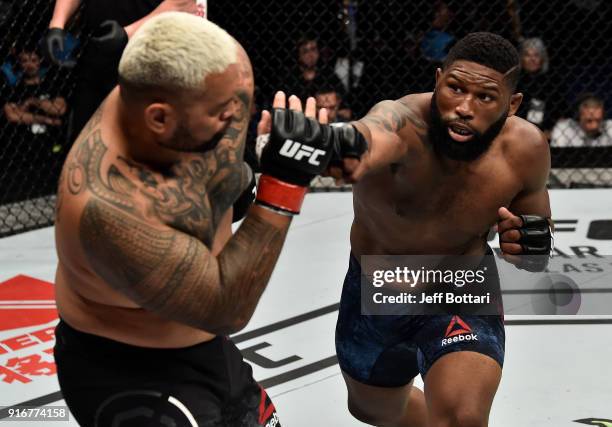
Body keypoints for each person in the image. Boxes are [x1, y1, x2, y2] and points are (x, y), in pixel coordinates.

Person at [53, 12, 364, 426]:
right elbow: (225, 308)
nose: (236, 116)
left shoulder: (216, 78)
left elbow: (222, 175)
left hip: (211, 351)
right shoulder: (109, 208)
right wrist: (285, 181)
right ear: (159, 117)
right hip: (128, 371)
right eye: (223, 113)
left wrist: (274, 149)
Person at [332, 32, 553, 426]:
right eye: (455, 88)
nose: (464, 107)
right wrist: (329, 142)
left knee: (461, 418)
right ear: (438, 80)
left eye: (485, 97)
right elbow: (367, 136)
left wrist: (528, 246)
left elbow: (536, 243)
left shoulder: (525, 150)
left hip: (460, 285)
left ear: (512, 104)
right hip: (377, 289)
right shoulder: (401, 121)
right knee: (372, 409)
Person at [42, 0, 200, 141]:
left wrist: (127, 34)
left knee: (147, 143)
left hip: (153, 58)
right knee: (84, 138)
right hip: (98, 53)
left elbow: (184, 4)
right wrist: (57, 24)